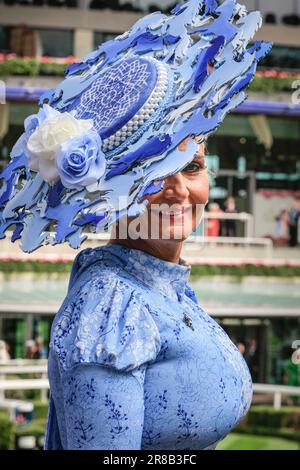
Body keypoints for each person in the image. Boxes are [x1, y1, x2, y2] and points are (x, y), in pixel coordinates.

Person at [0, 0, 271, 451]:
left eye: (192, 167)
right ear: (110, 197)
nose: (179, 191)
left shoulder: (162, 286)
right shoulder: (110, 304)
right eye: (152, 177)